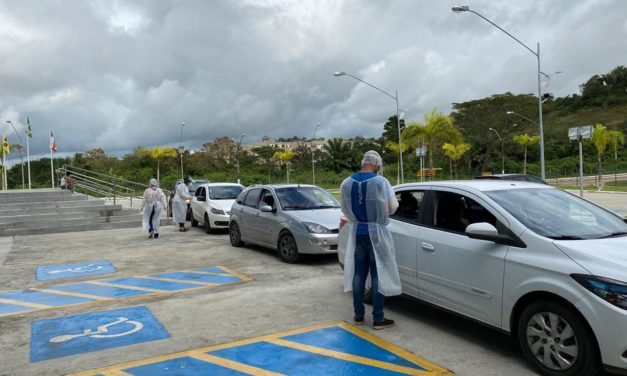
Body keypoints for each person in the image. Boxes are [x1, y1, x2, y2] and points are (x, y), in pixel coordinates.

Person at [339, 150, 401, 330]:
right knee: (377, 274)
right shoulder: (381, 182)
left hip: (357, 231)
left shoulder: (346, 183)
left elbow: (344, 208)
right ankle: (378, 318)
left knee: (358, 274)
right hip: (377, 233)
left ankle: (358, 316)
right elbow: (392, 208)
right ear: (376, 164)